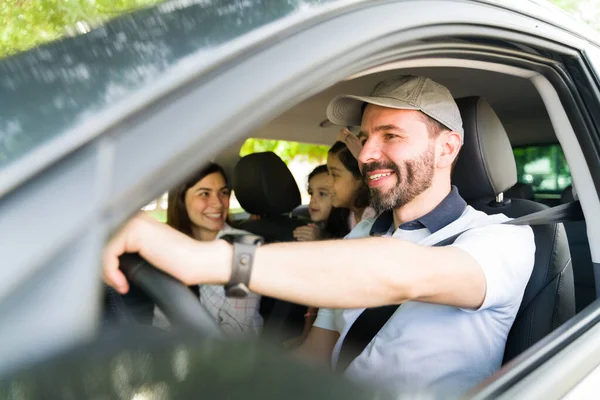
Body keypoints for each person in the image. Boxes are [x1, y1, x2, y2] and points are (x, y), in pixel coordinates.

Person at [103, 75, 535, 396]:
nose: (366, 154)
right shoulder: (362, 235)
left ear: (447, 149)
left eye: (391, 136)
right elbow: (320, 352)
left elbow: (401, 272)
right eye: (365, 137)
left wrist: (209, 258)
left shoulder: (501, 239)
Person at [155, 162, 264, 337]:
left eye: (223, 193)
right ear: (181, 200)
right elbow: (162, 322)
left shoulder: (245, 246)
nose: (218, 204)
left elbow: (236, 331)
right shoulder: (172, 247)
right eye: (205, 194)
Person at [287, 165, 350, 348]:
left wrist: (319, 245)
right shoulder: (311, 226)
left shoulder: (348, 236)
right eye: (311, 193)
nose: (312, 201)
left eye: (322, 194)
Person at [327, 141, 376, 229]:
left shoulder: (375, 218)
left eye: (335, 175)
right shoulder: (344, 216)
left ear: (360, 177)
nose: (327, 183)